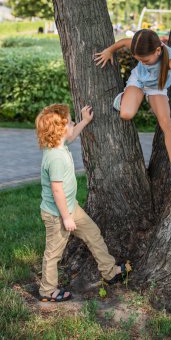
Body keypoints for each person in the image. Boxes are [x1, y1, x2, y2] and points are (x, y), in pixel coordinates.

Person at [35, 103, 131, 302]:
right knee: (53, 253)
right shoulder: (56, 158)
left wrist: (85, 121)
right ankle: (47, 290)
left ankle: (109, 271)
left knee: (93, 233)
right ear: (60, 129)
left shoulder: (58, 145)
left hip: (70, 208)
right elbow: (57, 190)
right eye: (70, 121)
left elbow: (71, 135)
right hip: (58, 214)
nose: (73, 123)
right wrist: (67, 217)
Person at [94, 29, 171, 173]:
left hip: (157, 87)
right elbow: (122, 42)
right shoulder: (138, 45)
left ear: (158, 50)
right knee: (126, 114)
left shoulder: (169, 59)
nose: (142, 62)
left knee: (165, 121)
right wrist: (108, 51)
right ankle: (125, 97)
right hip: (139, 80)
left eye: (145, 60)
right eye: (139, 59)